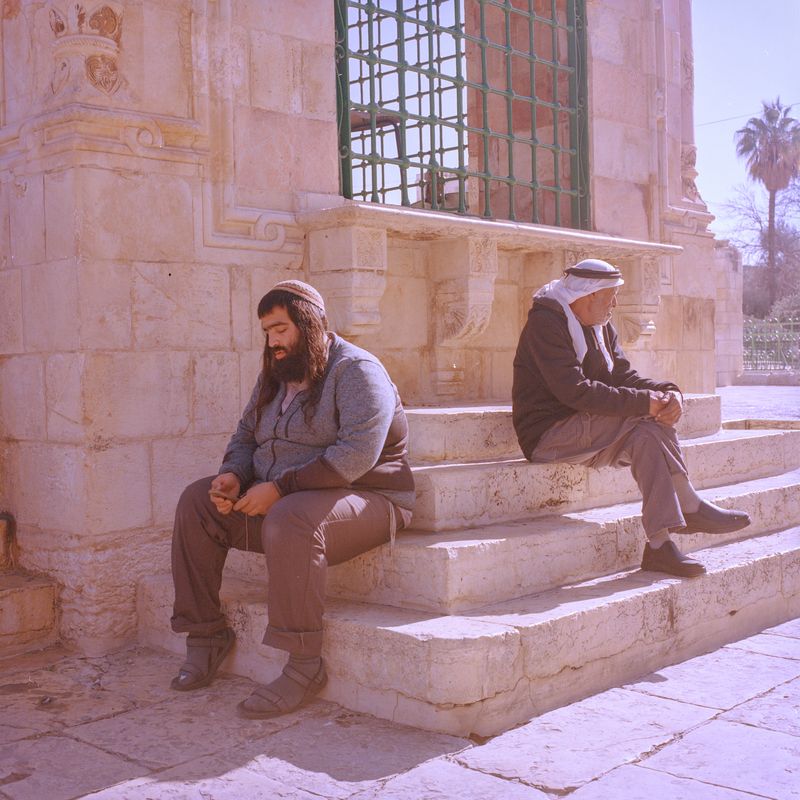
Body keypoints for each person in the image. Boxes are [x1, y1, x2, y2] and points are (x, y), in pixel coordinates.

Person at [170, 280, 415, 718]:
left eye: (281, 329)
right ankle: (206, 635)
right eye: (267, 332)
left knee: (289, 519)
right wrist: (232, 475)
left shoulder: (357, 370)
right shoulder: (275, 374)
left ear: (309, 322)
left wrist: (279, 488)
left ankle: (304, 665)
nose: (273, 342)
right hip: (288, 499)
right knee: (196, 502)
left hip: (368, 499)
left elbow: (356, 456)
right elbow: (245, 434)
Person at [512, 259, 750, 578]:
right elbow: (575, 392)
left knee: (649, 432)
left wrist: (668, 393)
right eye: (610, 295)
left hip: (591, 433)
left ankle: (659, 546)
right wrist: (647, 403)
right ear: (587, 296)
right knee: (645, 417)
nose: (615, 303)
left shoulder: (601, 326)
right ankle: (689, 505)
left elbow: (623, 376)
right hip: (549, 436)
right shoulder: (547, 323)